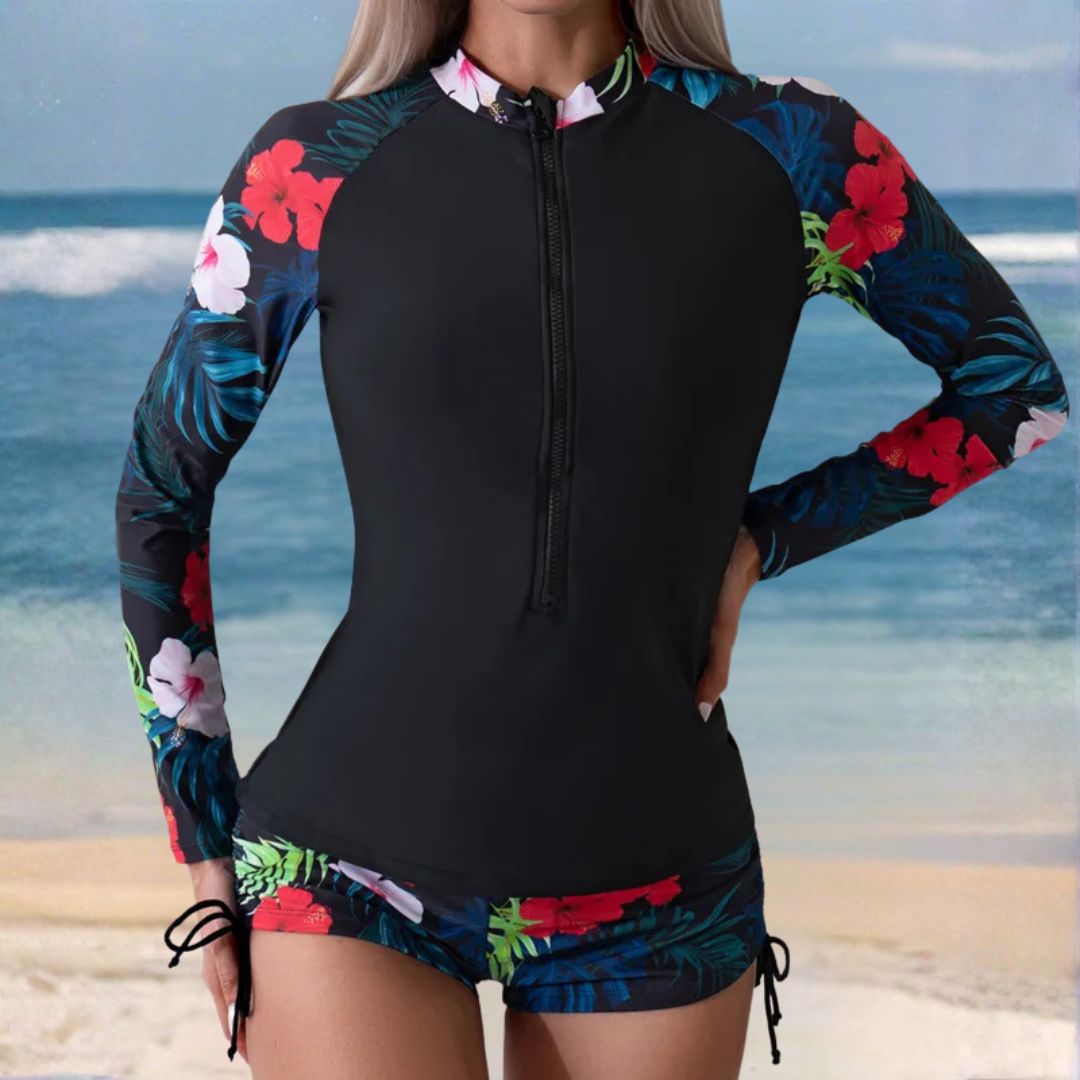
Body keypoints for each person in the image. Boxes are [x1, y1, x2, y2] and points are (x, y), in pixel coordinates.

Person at [115, 0, 1070, 1075]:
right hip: (342, 865)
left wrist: (761, 542)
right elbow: (161, 489)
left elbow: (1014, 392)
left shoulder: (792, 150)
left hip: (656, 878)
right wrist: (202, 839)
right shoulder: (315, 164)